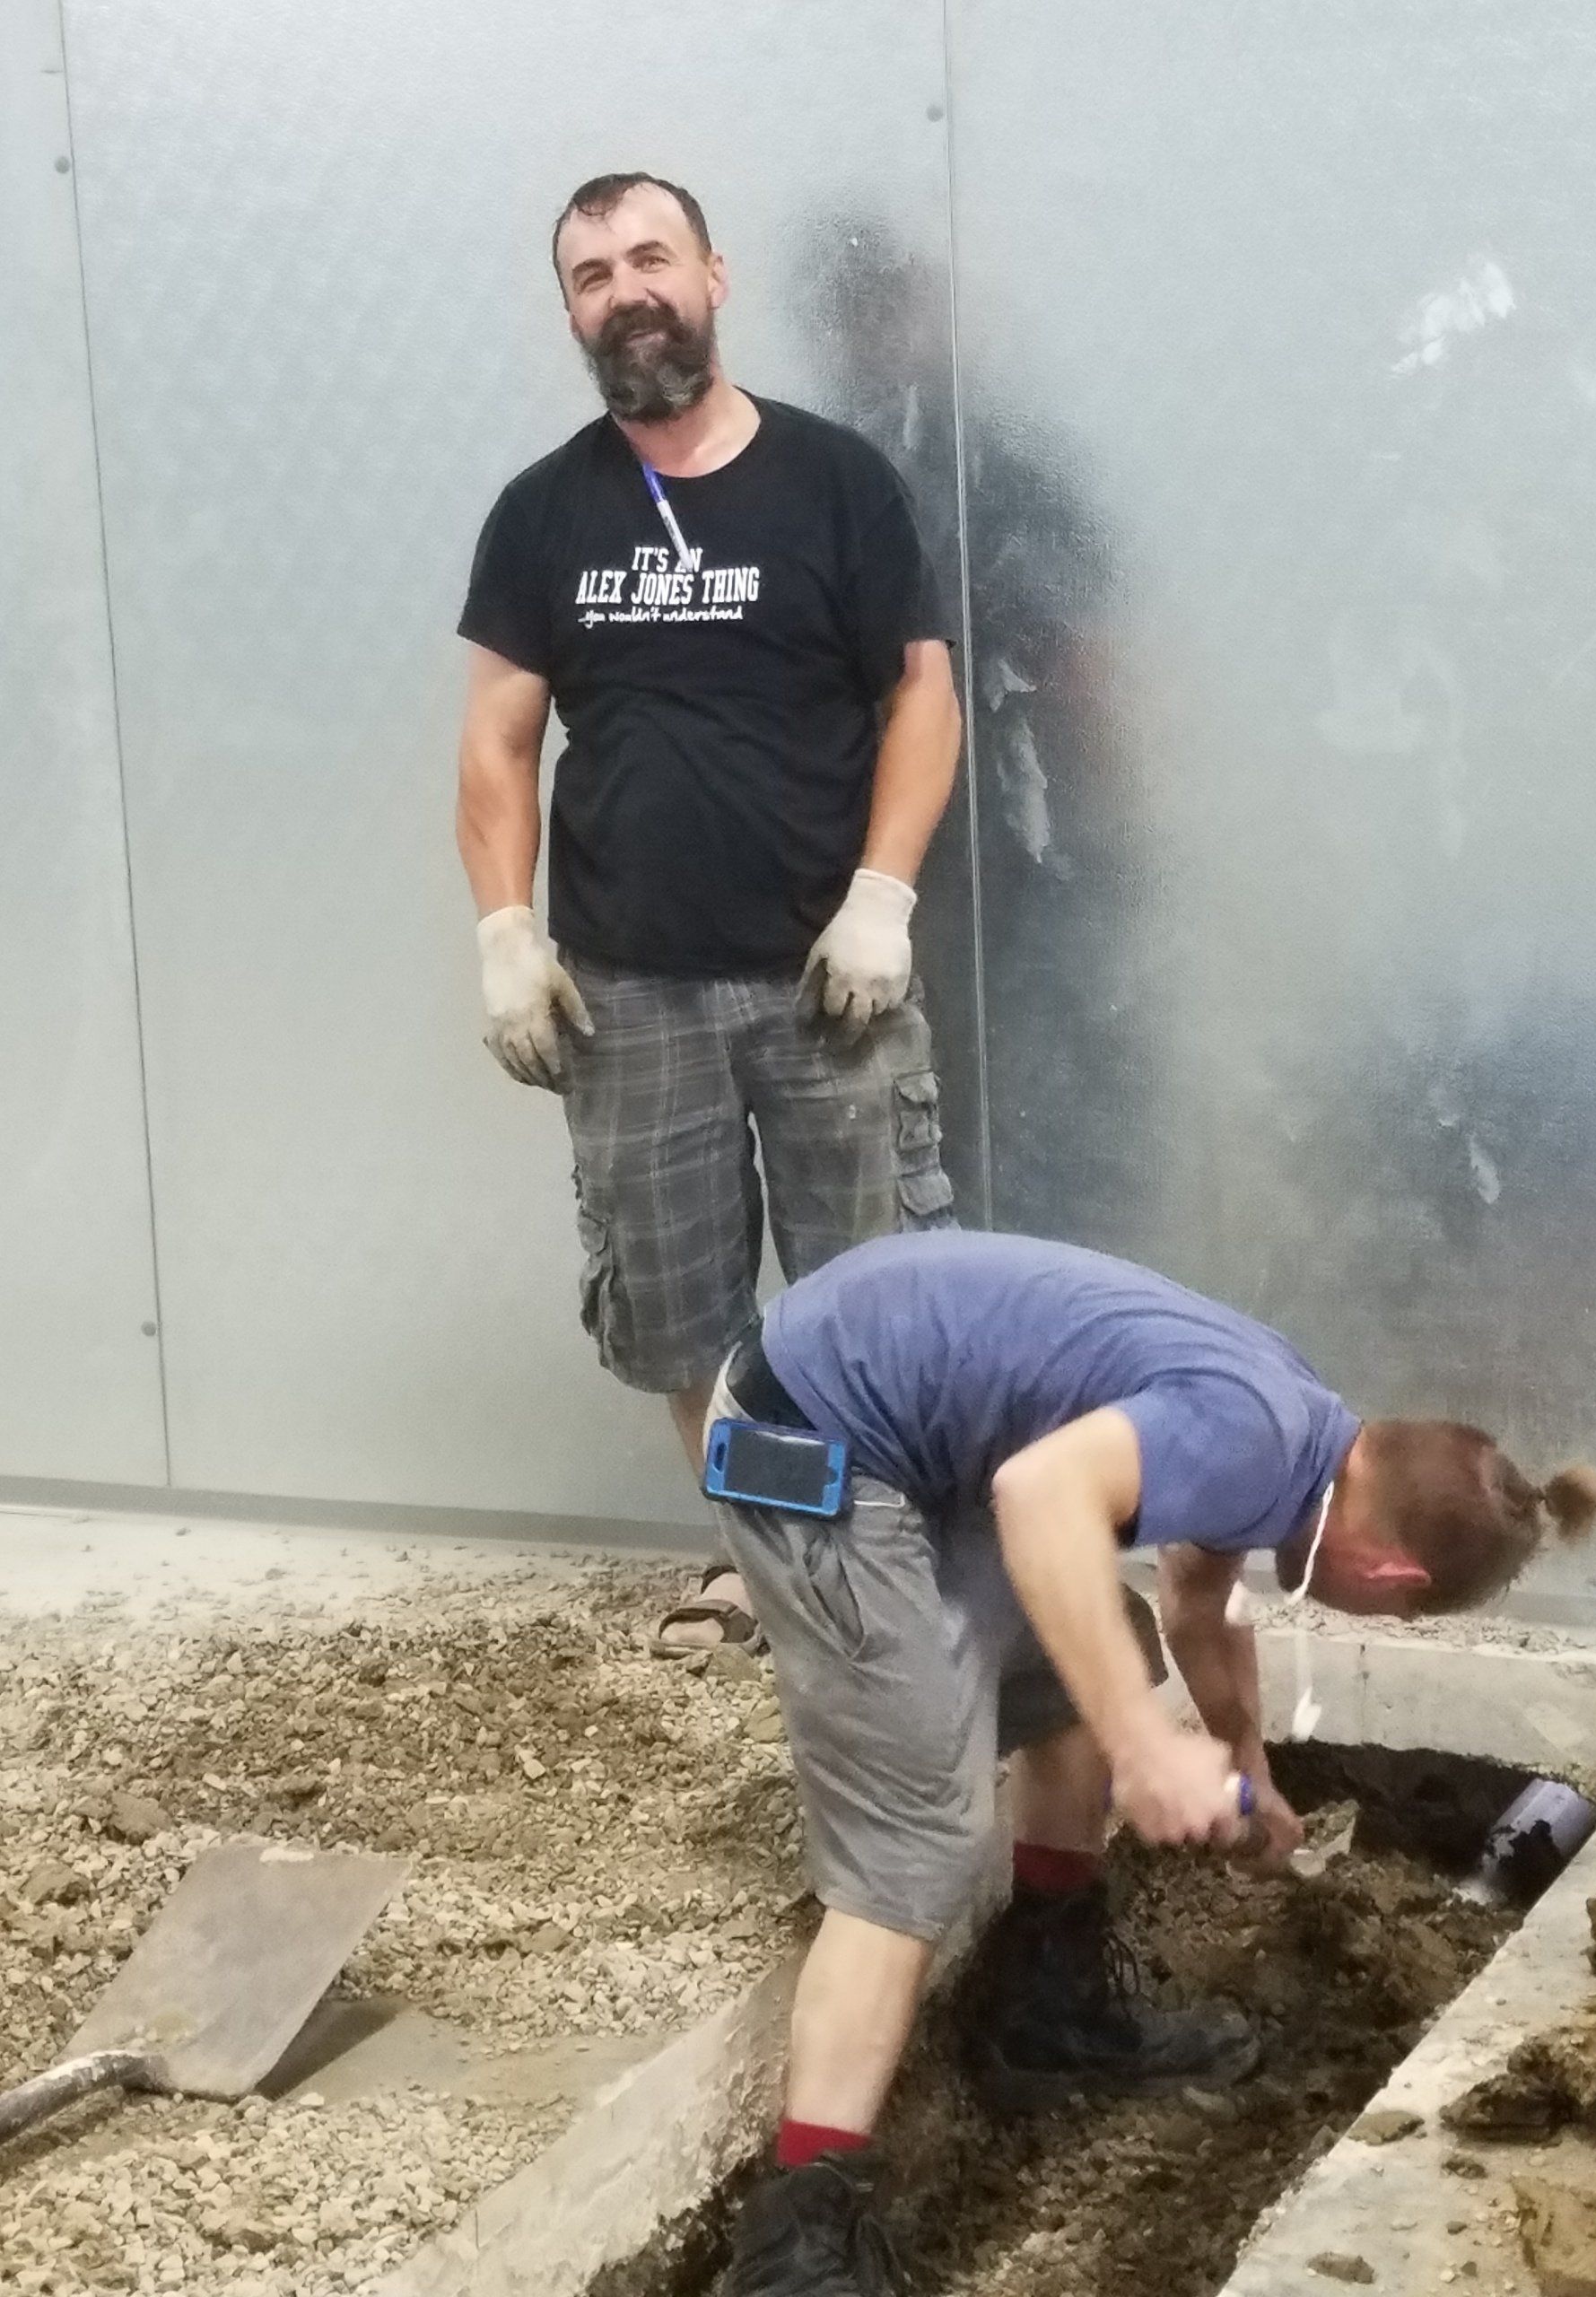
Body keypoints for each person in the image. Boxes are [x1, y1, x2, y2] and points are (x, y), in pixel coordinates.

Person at [703, 1227, 1596, 2295]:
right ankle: (797, 2244)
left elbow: (1195, 1592)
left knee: (1099, 1664)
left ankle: (1048, 2011)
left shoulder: (1305, 1433)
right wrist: (1142, 1745)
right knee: (920, 1835)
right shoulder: (1254, 1434)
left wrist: (1243, 1762)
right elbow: (1044, 1498)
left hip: (916, 1447)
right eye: (1396, 1608)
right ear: (1388, 1570)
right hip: (810, 1438)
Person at [455, 174, 963, 1649]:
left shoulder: (837, 483)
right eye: (594, 272)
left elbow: (920, 696)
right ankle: (769, 1560)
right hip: (628, 997)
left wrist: (881, 899)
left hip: (829, 980)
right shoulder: (544, 514)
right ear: (573, 311)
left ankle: (902, 1556)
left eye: (651, 257)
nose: (628, 289)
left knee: (875, 1295)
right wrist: (505, 934)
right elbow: (496, 741)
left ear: (714, 277)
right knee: (682, 1316)